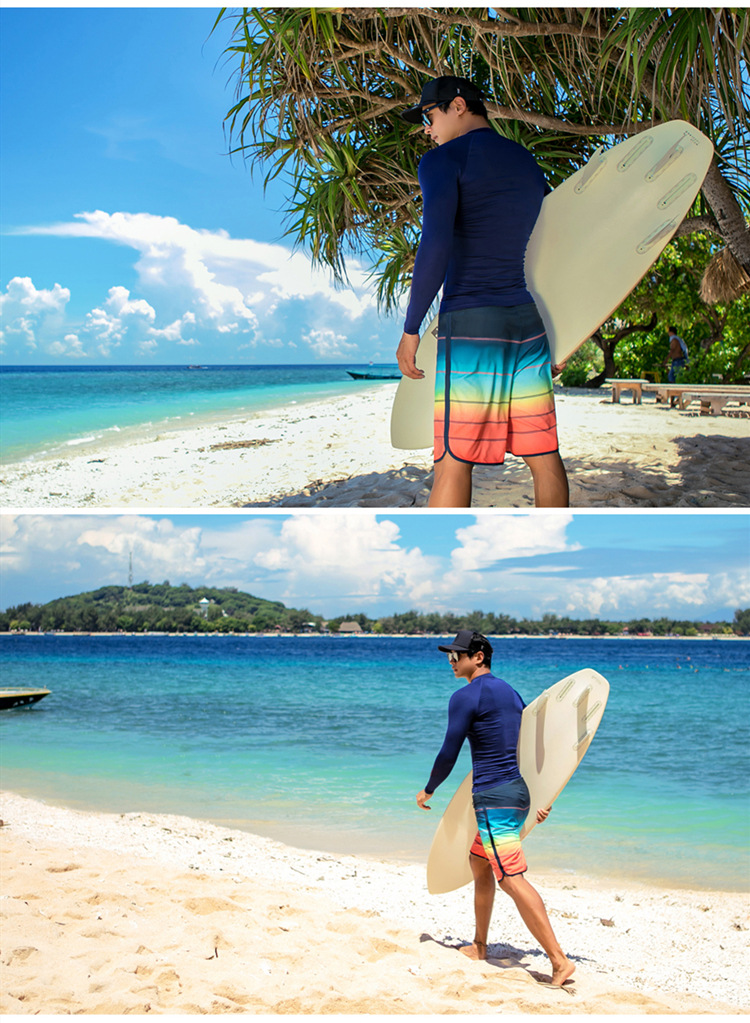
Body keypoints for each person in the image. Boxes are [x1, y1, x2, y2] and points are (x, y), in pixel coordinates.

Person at [396, 75, 568, 509]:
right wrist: (563, 330)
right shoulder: (526, 162)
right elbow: (547, 246)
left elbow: (435, 243)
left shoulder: (442, 161)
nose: (427, 128)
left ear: (457, 106)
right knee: (544, 457)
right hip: (526, 324)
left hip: (472, 326)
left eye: (429, 115)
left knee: (453, 461)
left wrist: (412, 327)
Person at [416, 630, 575, 987]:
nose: (451, 661)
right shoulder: (511, 693)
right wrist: (541, 798)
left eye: (457, 655)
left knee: (511, 878)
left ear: (479, 656)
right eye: (449, 656)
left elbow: (449, 752)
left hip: (492, 798)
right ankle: (479, 945)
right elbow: (535, 747)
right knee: (478, 861)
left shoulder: (464, 697)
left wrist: (428, 790)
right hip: (516, 794)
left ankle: (559, 960)